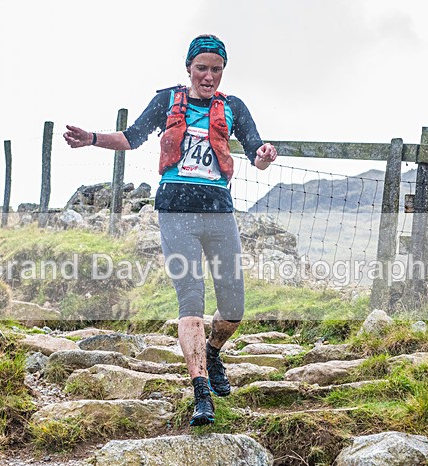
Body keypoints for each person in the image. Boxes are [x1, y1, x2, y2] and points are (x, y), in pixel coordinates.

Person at [64, 34, 277, 426]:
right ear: (189, 69)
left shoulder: (234, 108)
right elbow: (130, 137)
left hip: (218, 213)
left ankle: (212, 352)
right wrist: (91, 139)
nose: (208, 76)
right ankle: (201, 393)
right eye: (202, 68)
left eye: (216, 69)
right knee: (191, 301)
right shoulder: (167, 101)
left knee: (233, 309)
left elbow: (257, 152)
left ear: (222, 72)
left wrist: (264, 156)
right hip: (176, 212)